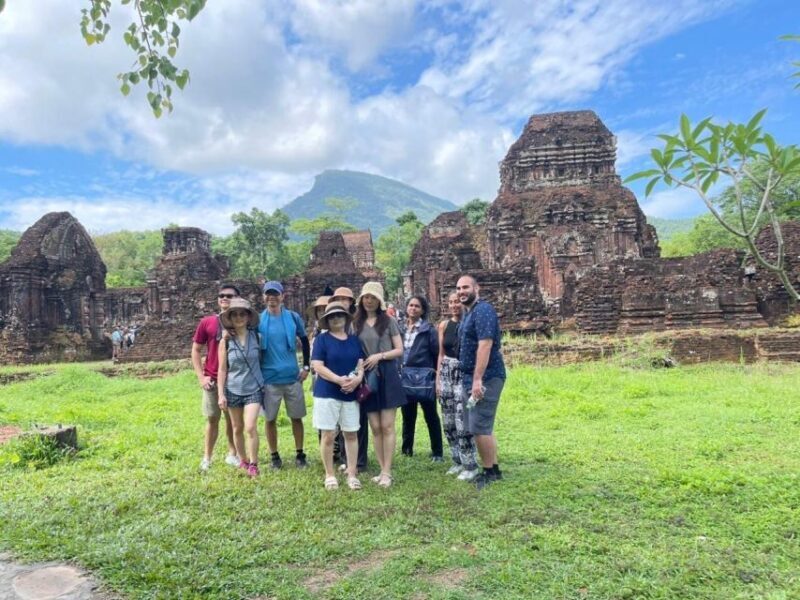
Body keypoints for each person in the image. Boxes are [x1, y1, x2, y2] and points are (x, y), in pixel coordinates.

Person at [456, 275, 506, 490]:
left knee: (479, 425)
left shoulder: (483, 310)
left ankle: (488, 472)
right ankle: (493, 468)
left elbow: (485, 345)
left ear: (477, 288)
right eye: (458, 288)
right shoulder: (470, 313)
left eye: (466, 287)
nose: (461, 291)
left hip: (486, 377)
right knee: (483, 424)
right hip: (472, 376)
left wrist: (477, 379)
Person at [354, 281, 406, 487]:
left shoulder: (388, 321)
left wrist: (380, 356)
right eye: (366, 297)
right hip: (367, 377)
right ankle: (381, 468)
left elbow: (399, 349)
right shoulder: (355, 323)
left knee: (387, 425)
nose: (369, 301)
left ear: (379, 301)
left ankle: (387, 472)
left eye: (373, 297)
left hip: (387, 373)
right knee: (374, 426)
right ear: (361, 299)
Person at [310, 301, 365, 491]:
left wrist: (358, 379)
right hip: (327, 392)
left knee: (350, 433)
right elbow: (317, 365)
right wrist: (338, 380)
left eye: (340, 315)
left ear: (345, 318)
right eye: (332, 316)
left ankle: (351, 473)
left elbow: (360, 364)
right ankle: (329, 474)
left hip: (350, 392)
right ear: (327, 320)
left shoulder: (353, 340)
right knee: (328, 435)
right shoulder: (322, 340)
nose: (336, 319)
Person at [258, 280, 311, 469]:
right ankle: (274, 456)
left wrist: (306, 367)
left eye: (275, 294)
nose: (272, 298)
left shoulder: (292, 317)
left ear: (282, 297)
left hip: (292, 376)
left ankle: (300, 453)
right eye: (268, 295)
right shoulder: (258, 320)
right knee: (270, 418)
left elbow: (304, 341)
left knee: (296, 417)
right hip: (269, 378)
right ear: (264, 297)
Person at [191, 283, 241, 471]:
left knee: (233, 420)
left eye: (229, 295)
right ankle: (207, 457)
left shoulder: (242, 321)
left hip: (235, 378)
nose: (225, 298)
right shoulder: (208, 322)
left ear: (237, 299)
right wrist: (201, 377)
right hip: (212, 377)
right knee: (212, 418)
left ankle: (232, 453)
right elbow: (195, 350)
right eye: (221, 296)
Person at [217, 298, 264, 478]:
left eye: (242, 314)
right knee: (237, 428)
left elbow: (262, 361)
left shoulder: (257, 337)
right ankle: (243, 459)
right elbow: (222, 369)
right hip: (233, 387)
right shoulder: (226, 341)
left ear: (248, 316)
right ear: (230, 317)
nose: (238, 318)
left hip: (254, 387)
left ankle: (254, 463)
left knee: (250, 427)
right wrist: (221, 394)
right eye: (234, 314)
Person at [436, 292, 479, 481]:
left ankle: (470, 464)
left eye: (457, 302)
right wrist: (438, 379)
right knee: (448, 420)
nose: (454, 305)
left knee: (463, 420)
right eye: (451, 302)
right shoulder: (444, 325)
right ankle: (457, 461)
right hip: (446, 370)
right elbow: (440, 354)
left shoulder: (470, 323)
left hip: (464, 372)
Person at [399, 295, 444, 461]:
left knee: (431, 415)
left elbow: (436, 353)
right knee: (407, 416)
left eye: (417, 306)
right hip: (406, 377)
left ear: (422, 310)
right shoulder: (400, 329)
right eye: (410, 305)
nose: (413, 308)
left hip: (424, 378)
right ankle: (407, 449)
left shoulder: (428, 331)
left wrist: (435, 375)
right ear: (406, 308)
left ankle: (437, 452)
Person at [329, 287, 368, 472]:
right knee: (340, 421)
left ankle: (359, 460)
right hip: (336, 376)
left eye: (347, 299)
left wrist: (357, 376)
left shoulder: (357, 322)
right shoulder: (332, 320)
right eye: (339, 298)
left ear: (352, 302)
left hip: (357, 374)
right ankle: (344, 457)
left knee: (358, 420)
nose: (343, 302)